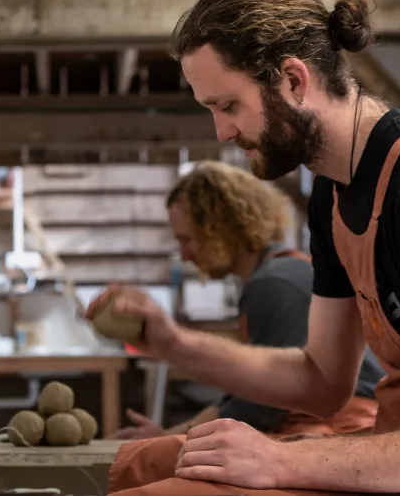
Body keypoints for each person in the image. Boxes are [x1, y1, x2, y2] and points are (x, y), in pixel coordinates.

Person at [86, 0, 400, 494]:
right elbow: (321, 382)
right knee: (144, 461)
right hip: (395, 449)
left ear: (292, 80)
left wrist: (282, 461)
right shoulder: (332, 191)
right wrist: (174, 343)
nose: (221, 133)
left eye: (228, 105)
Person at [110, 162, 383, 441]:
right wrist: (169, 435)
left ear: (222, 229)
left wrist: (171, 440)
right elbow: (251, 391)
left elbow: (264, 403)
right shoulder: (278, 272)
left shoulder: (274, 283)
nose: (184, 255)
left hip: (343, 427)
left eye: (187, 240)